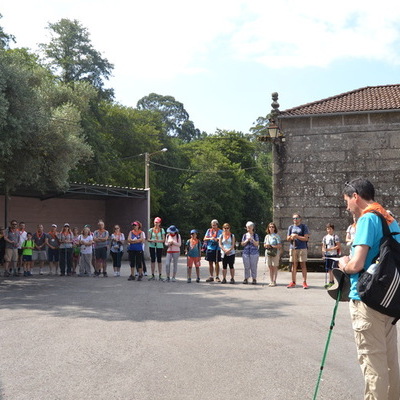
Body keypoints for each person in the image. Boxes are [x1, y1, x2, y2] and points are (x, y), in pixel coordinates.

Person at [338, 178, 400, 400]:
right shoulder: (390, 219)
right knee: (390, 363)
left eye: (347, 200)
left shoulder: (367, 220)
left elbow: (357, 264)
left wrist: (343, 263)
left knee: (373, 365)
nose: (346, 206)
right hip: (389, 300)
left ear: (356, 196)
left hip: (366, 299)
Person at [286, 214, 310, 289]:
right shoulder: (291, 227)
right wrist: (291, 237)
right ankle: (293, 281)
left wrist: (297, 236)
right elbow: (287, 238)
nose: (295, 219)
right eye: (293, 218)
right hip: (293, 248)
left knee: (303, 264)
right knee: (294, 265)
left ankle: (304, 281)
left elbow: (306, 238)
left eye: (296, 218)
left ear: (300, 219)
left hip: (302, 248)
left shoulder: (304, 227)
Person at [322, 223, 341, 289]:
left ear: (333, 229)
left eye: (330, 229)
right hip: (327, 255)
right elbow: (323, 246)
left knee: (333, 268)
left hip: (334, 255)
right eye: (327, 229)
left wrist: (330, 249)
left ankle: (334, 281)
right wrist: (323, 252)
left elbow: (338, 246)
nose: (329, 230)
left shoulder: (335, 237)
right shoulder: (325, 237)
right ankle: (331, 281)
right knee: (329, 269)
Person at [147, 217, 165, 281]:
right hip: (152, 246)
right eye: (155, 222)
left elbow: (163, 240)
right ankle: (152, 274)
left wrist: (158, 241)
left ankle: (160, 275)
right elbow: (148, 239)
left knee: (159, 260)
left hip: (159, 246)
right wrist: (152, 240)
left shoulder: (162, 230)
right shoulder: (150, 230)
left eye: (157, 222)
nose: (156, 223)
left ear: (159, 223)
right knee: (153, 260)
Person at [264, 222, 281, 287]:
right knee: (270, 267)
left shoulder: (276, 236)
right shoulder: (267, 236)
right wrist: (266, 245)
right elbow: (264, 245)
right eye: (270, 227)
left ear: (274, 228)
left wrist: (272, 246)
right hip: (268, 253)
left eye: (272, 227)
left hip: (275, 252)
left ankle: (274, 280)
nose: (271, 228)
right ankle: (271, 280)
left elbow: (279, 245)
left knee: (275, 266)